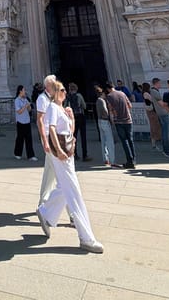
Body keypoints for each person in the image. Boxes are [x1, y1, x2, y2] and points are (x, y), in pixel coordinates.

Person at [36, 81, 103, 253]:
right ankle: (86, 237)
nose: (66, 92)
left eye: (66, 89)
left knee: (64, 188)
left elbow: (69, 132)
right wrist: (56, 149)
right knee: (74, 192)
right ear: (56, 92)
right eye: (63, 90)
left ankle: (46, 211)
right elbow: (50, 129)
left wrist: (71, 118)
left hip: (69, 154)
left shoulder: (63, 109)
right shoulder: (51, 107)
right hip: (61, 155)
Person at [104, 82, 135, 168]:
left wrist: (112, 120)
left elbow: (110, 110)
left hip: (119, 121)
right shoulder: (122, 93)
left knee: (124, 141)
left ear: (108, 89)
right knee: (130, 140)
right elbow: (130, 105)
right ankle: (133, 159)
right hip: (128, 120)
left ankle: (129, 160)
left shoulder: (109, 97)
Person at [37, 74, 58, 205]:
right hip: (49, 138)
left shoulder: (54, 99)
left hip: (56, 137)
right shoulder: (42, 99)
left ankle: (42, 202)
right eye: (54, 85)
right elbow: (39, 119)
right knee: (62, 176)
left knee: (50, 172)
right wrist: (44, 140)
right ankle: (72, 214)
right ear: (47, 86)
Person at [149, 78, 169, 157]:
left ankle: (167, 148)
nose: (160, 85)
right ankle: (166, 150)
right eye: (159, 83)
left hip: (160, 113)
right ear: (157, 83)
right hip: (163, 113)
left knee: (165, 131)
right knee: (166, 132)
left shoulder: (153, 91)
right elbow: (161, 104)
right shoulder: (154, 91)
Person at [94, 84, 118, 167]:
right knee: (109, 141)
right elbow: (104, 110)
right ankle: (112, 161)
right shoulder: (101, 100)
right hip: (105, 121)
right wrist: (109, 117)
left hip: (100, 121)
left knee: (103, 141)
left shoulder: (98, 100)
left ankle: (106, 159)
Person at [66, 82, 91, 161]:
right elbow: (84, 106)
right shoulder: (79, 96)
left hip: (72, 117)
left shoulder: (68, 97)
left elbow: (65, 106)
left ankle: (74, 154)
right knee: (83, 136)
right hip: (80, 115)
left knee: (73, 136)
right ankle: (85, 155)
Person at [14, 85, 37, 161]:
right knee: (20, 138)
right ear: (20, 91)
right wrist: (25, 106)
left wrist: (29, 106)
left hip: (27, 121)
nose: (25, 92)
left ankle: (31, 155)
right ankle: (17, 154)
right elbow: (19, 111)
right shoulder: (17, 100)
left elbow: (29, 110)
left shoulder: (26, 99)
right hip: (20, 122)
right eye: (24, 90)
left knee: (29, 139)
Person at [141, 82, 162, 150]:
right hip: (151, 111)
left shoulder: (144, 93)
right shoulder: (146, 93)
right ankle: (155, 142)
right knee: (154, 126)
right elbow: (153, 100)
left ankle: (154, 142)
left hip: (150, 111)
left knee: (154, 126)